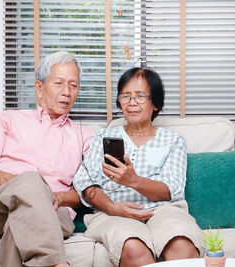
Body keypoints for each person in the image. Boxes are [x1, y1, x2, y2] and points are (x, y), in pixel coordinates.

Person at [0, 51, 93, 267]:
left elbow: (87, 192)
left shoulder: (85, 136)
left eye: (73, 85)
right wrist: (23, 187)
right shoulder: (9, 119)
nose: (67, 92)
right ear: (39, 87)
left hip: (55, 212)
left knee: (22, 220)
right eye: (59, 83)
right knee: (31, 182)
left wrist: (52, 198)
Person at [73, 67, 203, 267]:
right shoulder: (102, 138)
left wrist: (133, 180)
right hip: (112, 213)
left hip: (162, 210)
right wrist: (112, 208)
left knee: (181, 244)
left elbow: (170, 190)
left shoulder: (172, 140)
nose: (132, 102)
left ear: (156, 104)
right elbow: (84, 183)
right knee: (133, 246)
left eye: (140, 96)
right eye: (125, 96)